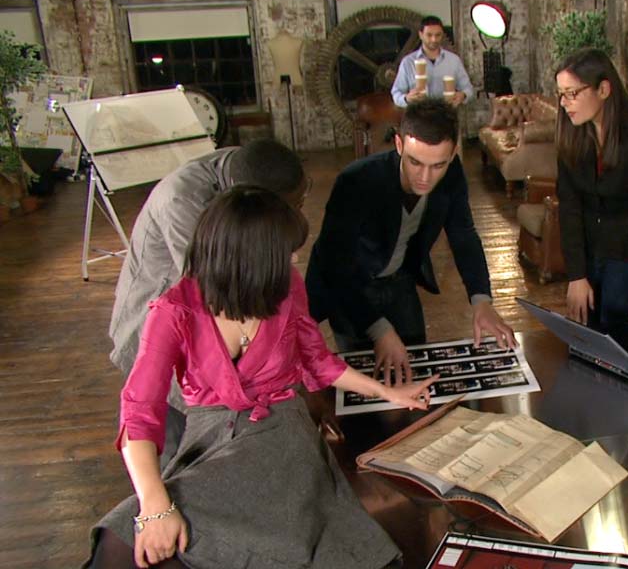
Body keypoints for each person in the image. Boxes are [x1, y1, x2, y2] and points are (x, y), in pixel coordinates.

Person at [86, 187, 434, 569]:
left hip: (281, 433)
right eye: (285, 252)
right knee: (125, 529)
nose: (295, 259)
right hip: (211, 438)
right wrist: (154, 505)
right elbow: (139, 411)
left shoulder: (287, 286)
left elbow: (317, 361)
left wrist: (387, 392)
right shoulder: (173, 310)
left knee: (195, 534)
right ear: (251, 259)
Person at [108, 139, 310, 461]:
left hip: (211, 337)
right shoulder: (183, 203)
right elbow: (221, 295)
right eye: (290, 209)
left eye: (302, 202)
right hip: (160, 334)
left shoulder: (253, 167)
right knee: (177, 452)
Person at [306, 98, 516, 383]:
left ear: (453, 153)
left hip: (400, 280)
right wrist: (380, 330)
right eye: (415, 162)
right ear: (399, 144)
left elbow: (463, 234)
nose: (425, 177)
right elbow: (336, 267)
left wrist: (482, 301)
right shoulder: (356, 181)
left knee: (415, 371)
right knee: (366, 379)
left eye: (438, 165)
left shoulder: (453, 173)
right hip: (350, 287)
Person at [553, 48, 628, 331]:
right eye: (561, 94)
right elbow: (569, 205)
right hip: (587, 255)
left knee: (621, 339)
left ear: (604, 89)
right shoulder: (571, 131)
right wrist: (576, 275)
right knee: (584, 339)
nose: (564, 103)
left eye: (572, 93)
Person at [390, 15, 474, 108]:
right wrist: (406, 98)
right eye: (429, 35)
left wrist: (463, 95)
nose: (434, 39)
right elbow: (396, 93)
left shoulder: (454, 60)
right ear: (421, 35)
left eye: (438, 35)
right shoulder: (408, 62)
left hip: (446, 114)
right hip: (418, 114)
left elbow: (468, 89)